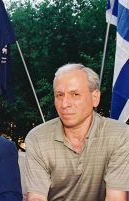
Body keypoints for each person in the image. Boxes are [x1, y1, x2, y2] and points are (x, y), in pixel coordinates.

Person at [25, 63, 129, 201]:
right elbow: (36, 198)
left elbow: (116, 198)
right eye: (59, 95)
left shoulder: (120, 135)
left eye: (75, 94)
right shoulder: (37, 138)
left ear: (95, 98)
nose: (65, 104)